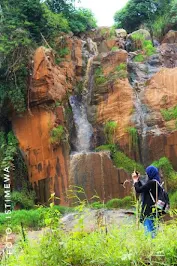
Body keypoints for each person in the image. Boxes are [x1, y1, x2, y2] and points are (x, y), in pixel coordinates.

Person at [132, 166, 161, 238]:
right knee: (153, 230)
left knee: (148, 232)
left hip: (148, 211)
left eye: (147, 173)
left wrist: (135, 180)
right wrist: (138, 180)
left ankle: (150, 247)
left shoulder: (151, 183)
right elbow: (143, 188)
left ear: (150, 173)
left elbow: (139, 190)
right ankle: (154, 246)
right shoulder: (156, 182)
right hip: (154, 210)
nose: (146, 175)